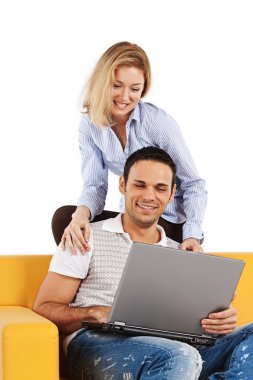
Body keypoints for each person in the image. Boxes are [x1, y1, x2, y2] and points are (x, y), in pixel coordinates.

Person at [34, 147, 253, 380]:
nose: (149, 196)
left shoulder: (182, 253)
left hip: (177, 349)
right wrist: (95, 313)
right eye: (140, 185)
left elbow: (197, 324)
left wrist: (219, 320)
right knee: (178, 355)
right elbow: (45, 308)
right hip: (97, 343)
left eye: (160, 188)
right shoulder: (84, 236)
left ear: (171, 194)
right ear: (122, 185)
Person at [61, 41, 207, 255]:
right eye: (116, 85)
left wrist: (192, 235)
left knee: (138, 244)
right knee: (65, 219)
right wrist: (80, 215)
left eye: (135, 89)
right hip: (132, 216)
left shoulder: (158, 123)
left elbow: (194, 184)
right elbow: (95, 185)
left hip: (167, 221)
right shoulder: (90, 124)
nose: (124, 97)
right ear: (102, 83)